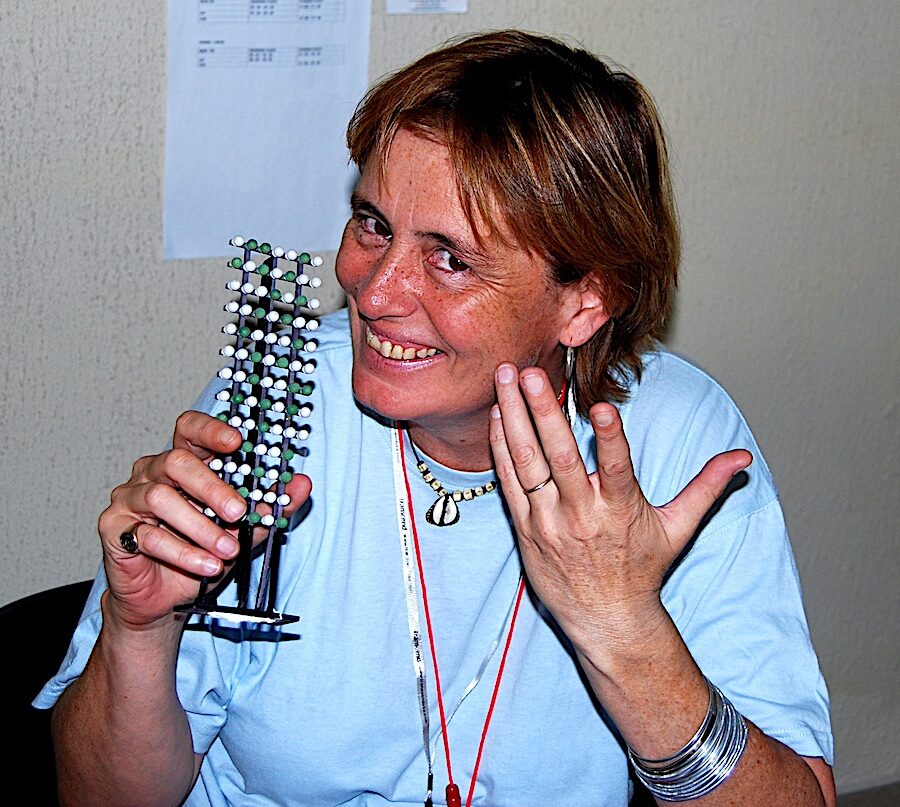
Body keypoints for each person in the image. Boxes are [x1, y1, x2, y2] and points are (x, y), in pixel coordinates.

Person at [37, 30, 834, 806]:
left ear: (584, 301)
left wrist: (626, 631)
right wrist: (140, 632)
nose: (374, 291)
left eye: (450, 258)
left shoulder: (675, 443)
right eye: (373, 224)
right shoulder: (277, 407)